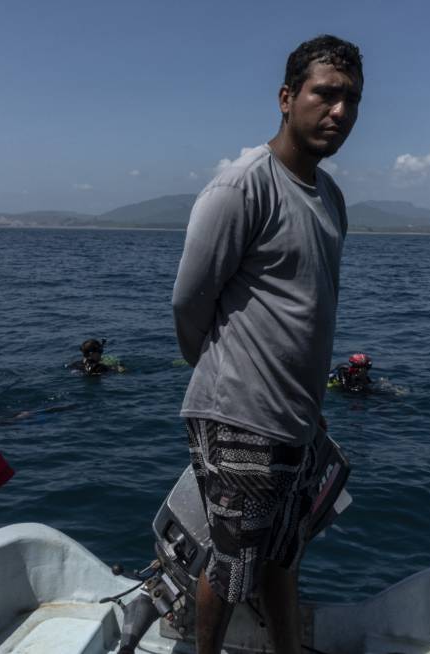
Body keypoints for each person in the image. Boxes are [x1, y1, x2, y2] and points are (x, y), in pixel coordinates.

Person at [171, 35, 363, 654]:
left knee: (284, 551)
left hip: (298, 418)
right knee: (231, 570)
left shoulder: (330, 197)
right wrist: (229, 375)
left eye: (351, 101)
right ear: (286, 98)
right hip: (240, 416)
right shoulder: (241, 188)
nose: (339, 112)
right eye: (324, 94)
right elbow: (189, 301)